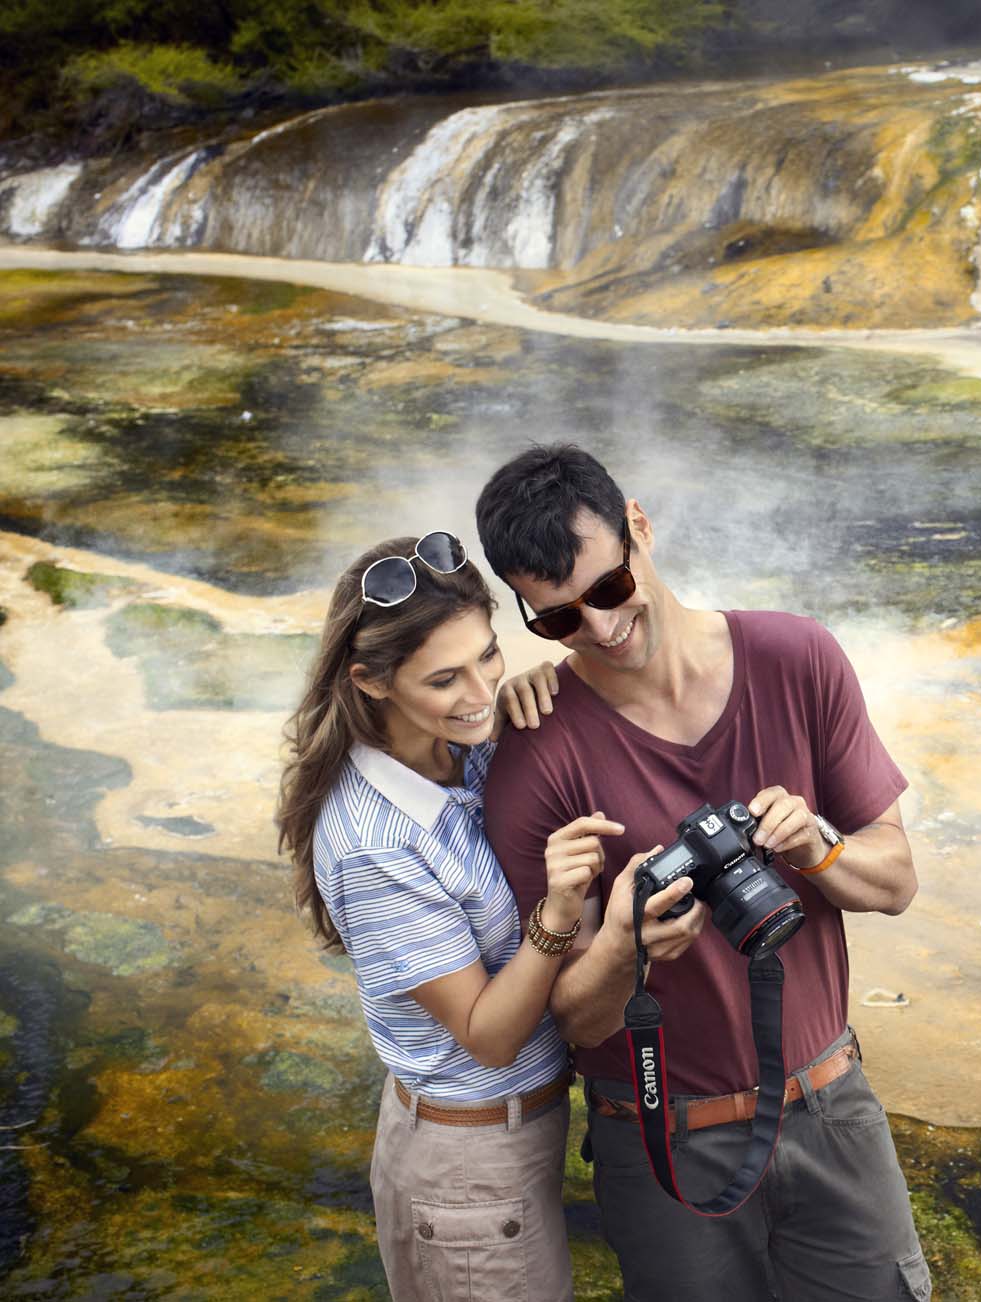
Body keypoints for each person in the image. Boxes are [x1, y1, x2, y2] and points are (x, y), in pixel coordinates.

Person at [472, 445, 930, 1301]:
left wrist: (817, 851)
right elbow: (569, 1020)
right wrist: (622, 945)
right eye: (560, 620)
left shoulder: (796, 656)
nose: (603, 630)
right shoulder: (534, 752)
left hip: (830, 1109)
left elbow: (898, 881)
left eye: (609, 588)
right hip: (657, 1139)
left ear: (638, 527)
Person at [276, 530, 610, 1301]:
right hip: (468, 1164)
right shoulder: (372, 843)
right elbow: (489, 1036)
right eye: (444, 680)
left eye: (488, 657)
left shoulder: (467, 744)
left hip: (514, 1137)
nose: (479, 691)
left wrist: (537, 689)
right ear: (371, 682)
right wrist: (558, 914)